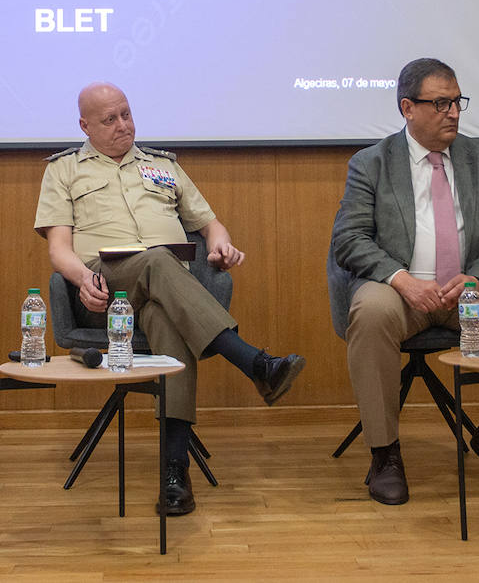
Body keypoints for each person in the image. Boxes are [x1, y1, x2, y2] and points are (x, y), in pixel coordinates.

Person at [34, 82, 305, 516]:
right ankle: (253, 362)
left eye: (126, 114)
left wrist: (221, 246)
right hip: (105, 291)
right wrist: (83, 277)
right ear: (84, 125)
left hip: (168, 293)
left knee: (167, 317)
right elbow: (58, 248)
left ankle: (174, 475)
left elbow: (210, 224)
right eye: (110, 119)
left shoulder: (163, 166)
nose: (123, 125)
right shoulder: (64, 170)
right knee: (158, 260)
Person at [330, 57, 479, 506]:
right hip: (401, 296)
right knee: (369, 309)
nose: (453, 112)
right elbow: (349, 240)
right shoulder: (371, 164)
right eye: (441, 103)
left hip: (469, 294)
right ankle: (384, 452)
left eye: (457, 102)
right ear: (408, 108)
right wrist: (402, 280)